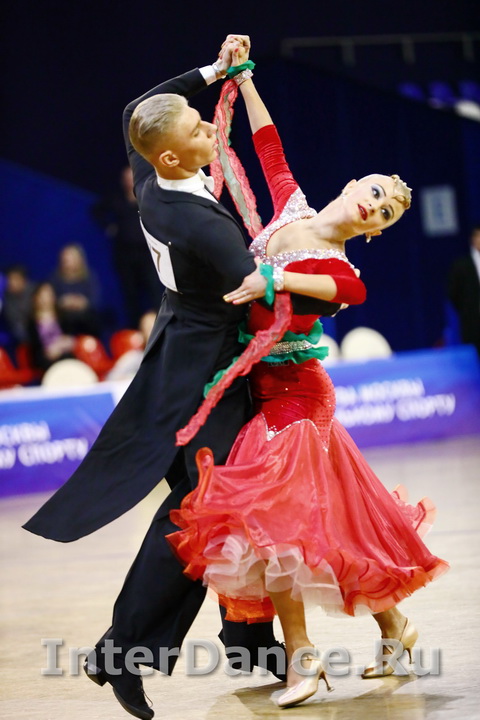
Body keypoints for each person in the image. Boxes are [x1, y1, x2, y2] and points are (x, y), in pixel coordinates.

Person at [22, 36, 340, 720]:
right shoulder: (203, 228)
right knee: (202, 511)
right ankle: (121, 651)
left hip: (174, 358)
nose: (209, 129)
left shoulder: (150, 177)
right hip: (207, 381)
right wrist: (335, 286)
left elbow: (138, 109)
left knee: (233, 509)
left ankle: (249, 644)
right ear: (170, 156)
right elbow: (261, 294)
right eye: (198, 130)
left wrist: (212, 73)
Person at [167, 43, 450, 709]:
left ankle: (304, 658)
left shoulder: (343, 271)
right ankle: (396, 627)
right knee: (331, 529)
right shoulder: (291, 207)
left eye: (387, 214)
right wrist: (244, 77)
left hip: (296, 402)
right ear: (352, 186)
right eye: (375, 193)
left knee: (276, 529)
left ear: (376, 232)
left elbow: (330, 291)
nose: (376, 207)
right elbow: (266, 142)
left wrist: (270, 279)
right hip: (264, 391)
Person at [92, 166, 165, 326]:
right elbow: (96, 210)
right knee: (130, 295)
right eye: (126, 179)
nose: (129, 182)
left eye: (131, 178)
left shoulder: (148, 197)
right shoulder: (116, 199)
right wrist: (108, 226)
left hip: (147, 254)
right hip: (125, 256)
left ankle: (157, 327)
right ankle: (134, 329)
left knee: (154, 291)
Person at [49, 243, 101, 336]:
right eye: (64, 257)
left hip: (87, 322)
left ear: (79, 259)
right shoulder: (55, 279)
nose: (66, 260)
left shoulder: (89, 277)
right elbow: (49, 301)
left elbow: (95, 300)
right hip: (63, 321)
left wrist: (82, 302)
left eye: (71, 257)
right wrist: (63, 302)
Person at [26, 282, 75, 371]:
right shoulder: (31, 322)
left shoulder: (63, 316)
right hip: (44, 358)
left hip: (63, 352)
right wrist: (50, 351)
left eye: (48, 295)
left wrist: (60, 346)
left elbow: (70, 337)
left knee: (68, 358)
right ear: (36, 298)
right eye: (42, 296)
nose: (45, 299)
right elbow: (34, 347)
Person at [448, 225, 480, 356]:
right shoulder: (461, 266)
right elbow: (453, 294)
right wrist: (469, 310)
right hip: (473, 323)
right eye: (478, 236)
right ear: (473, 239)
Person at [2, 264, 34, 344]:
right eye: (9, 279)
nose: (11, 283)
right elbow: (15, 325)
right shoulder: (5, 298)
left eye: (15, 279)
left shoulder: (35, 292)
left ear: (24, 280)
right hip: (21, 340)